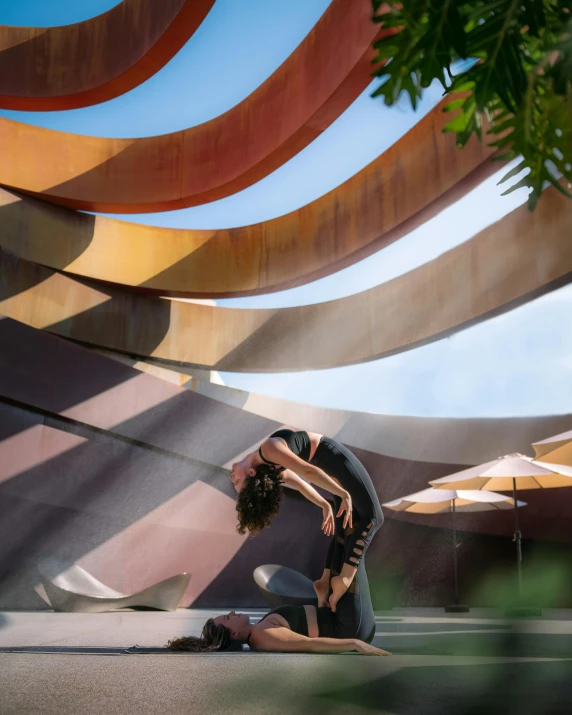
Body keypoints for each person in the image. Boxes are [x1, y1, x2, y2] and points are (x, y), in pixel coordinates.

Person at [166, 522, 390, 656]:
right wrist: (355, 644)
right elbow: (308, 644)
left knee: (343, 533)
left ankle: (323, 585)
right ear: (234, 633)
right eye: (227, 616)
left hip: (339, 616)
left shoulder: (260, 629)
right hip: (350, 625)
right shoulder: (262, 636)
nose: (232, 612)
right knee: (357, 531)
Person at [229, 428, 383, 612]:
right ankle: (344, 579)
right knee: (373, 517)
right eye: (237, 482)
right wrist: (341, 493)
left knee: (346, 523)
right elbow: (307, 472)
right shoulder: (269, 451)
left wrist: (324, 504)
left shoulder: (271, 464)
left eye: (234, 482)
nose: (232, 478)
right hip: (332, 456)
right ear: (251, 473)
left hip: (328, 469)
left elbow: (301, 485)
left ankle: (325, 582)